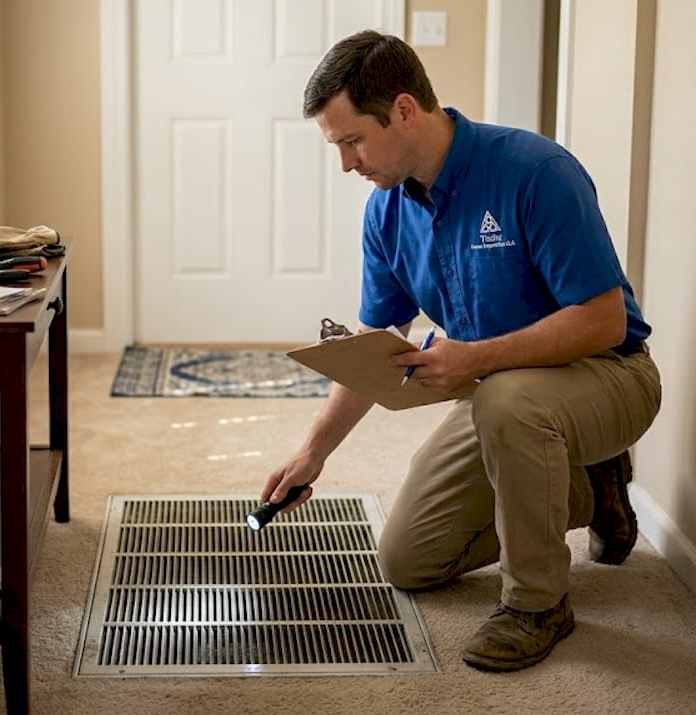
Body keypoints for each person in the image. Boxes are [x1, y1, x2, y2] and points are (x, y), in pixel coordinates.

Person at [259, 30, 662, 672]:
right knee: (409, 559)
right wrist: (313, 454)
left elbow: (605, 321)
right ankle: (593, 487)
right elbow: (374, 346)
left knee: (504, 400)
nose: (346, 165)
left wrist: (473, 360)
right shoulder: (386, 213)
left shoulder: (535, 172)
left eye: (352, 141)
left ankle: (537, 605)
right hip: (508, 397)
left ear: (403, 110)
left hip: (609, 375)